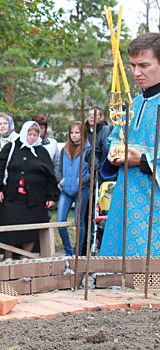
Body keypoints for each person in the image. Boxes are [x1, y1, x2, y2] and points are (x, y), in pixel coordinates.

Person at [100, 33, 160, 257]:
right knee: (121, 274)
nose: (136, 73)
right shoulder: (132, 104)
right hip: (127, 198)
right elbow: (116, 136)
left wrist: (144, 160)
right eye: (133, 65)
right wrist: (115, 152)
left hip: (155, 202)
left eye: (144, 65)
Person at [0, 121, 59, 260]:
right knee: (10, 228)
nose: (32, 137)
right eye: (30, 134)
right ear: (24, 133)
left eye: (35, 135)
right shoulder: (11, 147)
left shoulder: (41, 152)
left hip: (34, 200)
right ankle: (8, 257)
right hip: (12, 197)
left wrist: (51, 197)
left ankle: (26, 257)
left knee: (30, 230)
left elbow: (50, 175)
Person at [56, 122, 91, 256]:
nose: (74, 136)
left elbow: (94, 170)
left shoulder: (88, 149)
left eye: (77, 133)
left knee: (79, 221)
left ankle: (78, 251)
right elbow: (59, 169)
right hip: (66, 189)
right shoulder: (64, 149)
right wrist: (61, 180)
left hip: (82, 189)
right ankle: (68, 250)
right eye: (72, 133)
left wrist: (81, 181)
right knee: (60, 221)